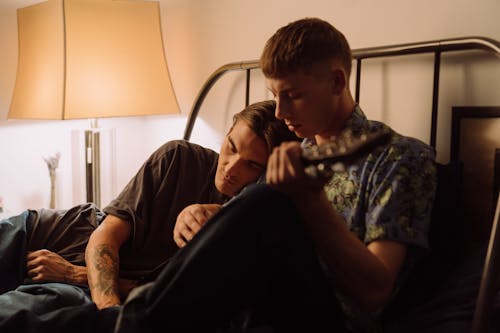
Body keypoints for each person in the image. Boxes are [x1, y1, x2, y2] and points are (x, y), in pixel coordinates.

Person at [100, 17, 437, 333]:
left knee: (269, 202)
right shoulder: (294, 154)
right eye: (275, 96)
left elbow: (374, 292)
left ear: (337, 81)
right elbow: (250, 231)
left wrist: (309, 201)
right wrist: (204, 214)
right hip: (248, 304)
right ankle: (129, 313)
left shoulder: (399, 157)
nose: (280, 112)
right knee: (66, 320)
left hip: (330, 318)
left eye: (293, 96)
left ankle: (135, 319)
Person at [0, 99, 299, 328]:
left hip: (71, 284)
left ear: (269, 173)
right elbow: (105, 234)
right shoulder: (180, 158)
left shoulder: (252, 227)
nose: (231, 168)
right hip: (48, 230)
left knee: (12, 317)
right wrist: (111, 313)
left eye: (251, 164)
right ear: (228, 131)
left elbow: (170, 298)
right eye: (231, 147)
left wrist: (73, 275)